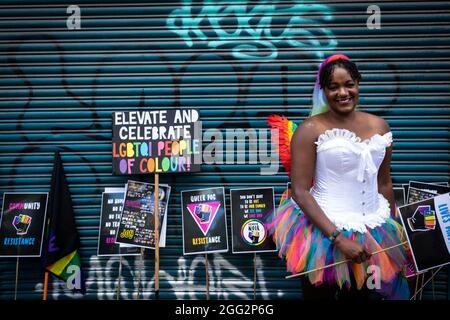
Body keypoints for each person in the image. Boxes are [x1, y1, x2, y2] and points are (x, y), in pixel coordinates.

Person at [267, 54, 409, 300]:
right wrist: (338, 239)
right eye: (334, 87)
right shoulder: (309, 129)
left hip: (373, 230)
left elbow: (384, 183)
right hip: (322, 234)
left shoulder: (380, 127)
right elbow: (300, 191)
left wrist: (394, 228)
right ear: (323, 90)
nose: (343, 92)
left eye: (349, 84)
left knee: (362, 297)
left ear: (358, 84)